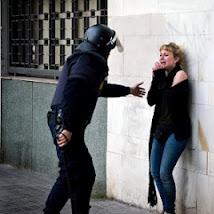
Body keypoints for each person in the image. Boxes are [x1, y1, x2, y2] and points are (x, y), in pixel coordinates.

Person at [44, 24, 145, 214]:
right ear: (102, 45)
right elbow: (74, 89)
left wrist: (128, 90)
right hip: (65, 123)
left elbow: (96, 88)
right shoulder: (90, 60)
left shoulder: (85, 57)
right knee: (75, 174)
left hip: (65, 121)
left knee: (80, 174)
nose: (110, 52)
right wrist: (68, 127)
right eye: (109, 48)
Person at [147, 42, 191, 214]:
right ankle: (167, 209)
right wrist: (155, 78)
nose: (161, 58)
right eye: (160, 55)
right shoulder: (161, 76)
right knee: (154, 171)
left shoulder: (180, 74)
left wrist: (158, 77)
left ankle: (169, 210)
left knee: (165, 172)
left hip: (176, 130)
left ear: (176, 58)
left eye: (166, 55)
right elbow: (151, 100)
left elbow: (170, 100)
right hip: (161, 129)